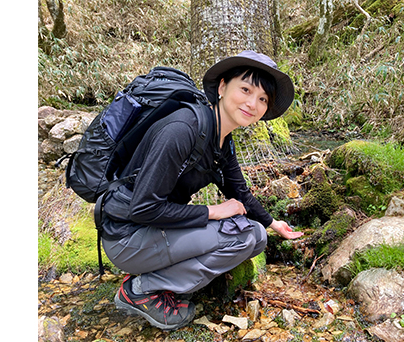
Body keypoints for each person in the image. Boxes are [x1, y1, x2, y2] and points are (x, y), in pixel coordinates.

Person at [100, 50, 304, 331]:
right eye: (245, 89)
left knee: (257, 236)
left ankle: (163, 281)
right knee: (243, 235)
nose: (251, 103)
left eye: (262, 99)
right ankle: (140, 289)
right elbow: (143, 207)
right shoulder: (183, 130)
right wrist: (213, 211)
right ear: (222, 87)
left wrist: (273, 223)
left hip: (153, 231)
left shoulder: (222, 140)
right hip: (126, 236)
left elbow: (240, 193)